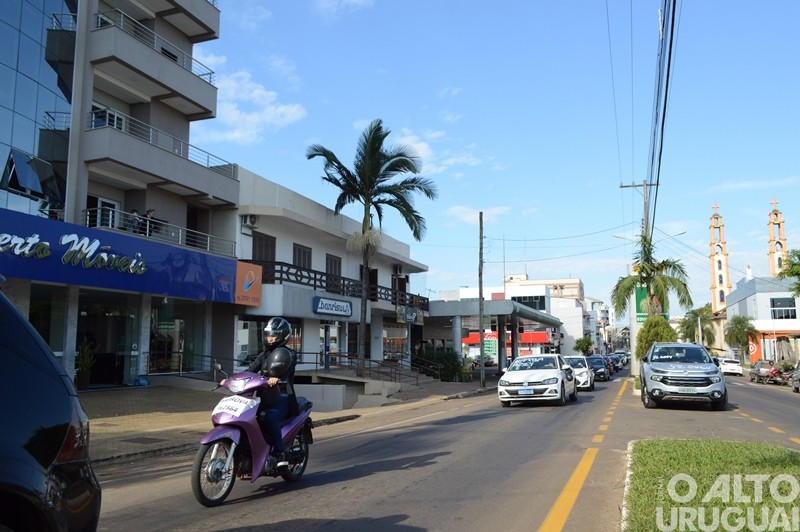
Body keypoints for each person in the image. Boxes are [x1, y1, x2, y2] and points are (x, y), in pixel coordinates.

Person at [231, 317, 298, 468]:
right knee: (247, 417)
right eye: (268, 334)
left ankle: (279, 452)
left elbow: (287, 372)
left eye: (273, 335)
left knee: (270, 416)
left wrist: (277, 378)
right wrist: (231, 379)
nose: (270, 338)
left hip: (282, 396)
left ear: (282, 336)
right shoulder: (264, 355)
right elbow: (250, 370)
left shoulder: (290, 355)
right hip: (264, 396)